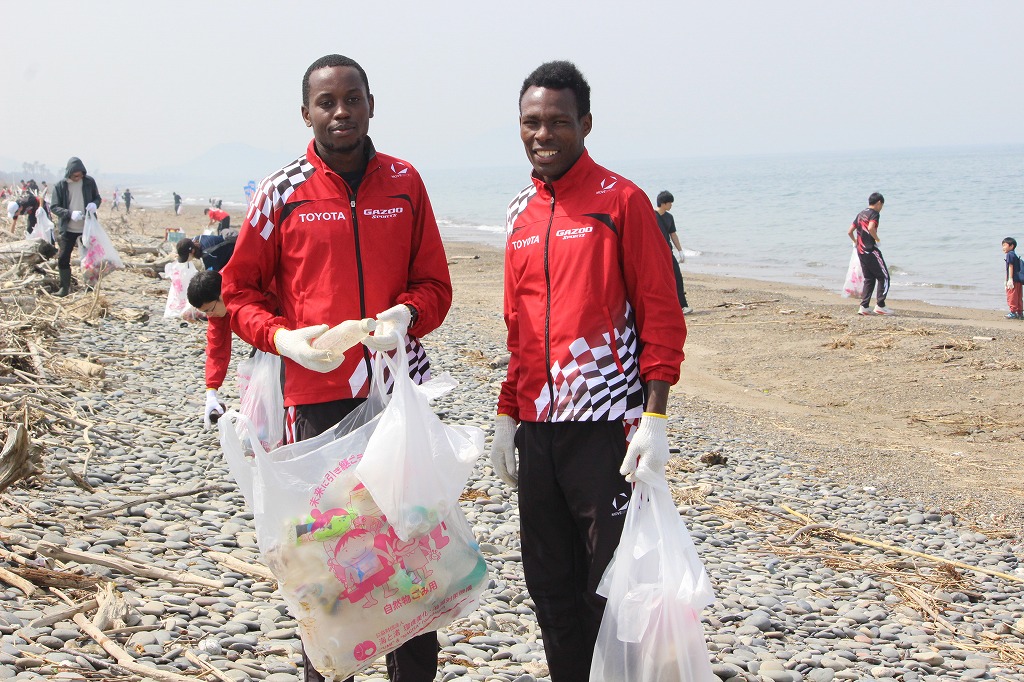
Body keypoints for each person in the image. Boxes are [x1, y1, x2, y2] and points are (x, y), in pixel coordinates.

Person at [221, 53, 452, 682]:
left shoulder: (405, 182)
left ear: (372, 104)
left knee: (413, 561)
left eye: (353, 98)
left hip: (395, 399)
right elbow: (237, 292)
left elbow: (435, 283)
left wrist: (407, 314)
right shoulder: (281, 192)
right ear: (306, 113)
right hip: (314, 408)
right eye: (327, 101)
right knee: (329, 570)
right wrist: (284, 338)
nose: (342, 111)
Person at [487, 61, 687, 681]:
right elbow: (519, 329)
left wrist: (654, 417)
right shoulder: (521, 209)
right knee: (548, 583)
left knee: (611, 587)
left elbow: (661, 313)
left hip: (606, 429)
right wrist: (505, 414)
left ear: (586, 124)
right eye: (530, 122)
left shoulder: (621, 201)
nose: (541, 133)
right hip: (538, 428)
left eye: (557, 121)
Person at [49, 158, 102, 297]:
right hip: (68, 229)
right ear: (69, 173)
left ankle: (90, 289)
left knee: (90, 260)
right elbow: (54, 207)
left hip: (87, 228)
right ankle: (64, 288)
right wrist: (69, 214)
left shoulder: (89, 182)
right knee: (63, 258)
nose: (79, 178)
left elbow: (98, 198)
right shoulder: (60, 186)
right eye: (75, 176)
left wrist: (95, 204)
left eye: (81, 175)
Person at [186, 270, 232, 427]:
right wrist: (211, 392)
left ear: (221, 294)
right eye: (204, 312)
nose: (210, 315)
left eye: (209, 310)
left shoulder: (244, 288)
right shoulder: (217, 312)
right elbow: (216, 350)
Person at [848, 192, 892, 316]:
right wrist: (877, 240)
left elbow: (850, 231)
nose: (881, 208)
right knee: (884, 277)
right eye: (882, 205)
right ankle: (880, 306)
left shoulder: (861, 214)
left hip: (861, 251)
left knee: (869, 279)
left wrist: (855, 242)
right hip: (871, 250)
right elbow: (871, 227)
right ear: (878, 203)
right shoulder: (874, 214)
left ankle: (864, 306)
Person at [655, 190, 691, 313]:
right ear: (663, 203)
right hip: (655, 254)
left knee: (677, 277)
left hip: (668, 252)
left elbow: (673, 234)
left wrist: (680, 250)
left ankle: (683, 305)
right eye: (670, 203)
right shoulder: (651, 215)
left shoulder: (669, 217)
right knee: (659, 280)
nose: (671, 205)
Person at [1002, 237, 1022, 320]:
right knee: (1018, 296)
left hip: (1013, 280)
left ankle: (1013, 312)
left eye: (1004, 245)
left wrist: (1009, 279)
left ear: (1011, 246)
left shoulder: (1009, 254)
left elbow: (1010, 266)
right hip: (1018, 280)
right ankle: (1020, 313)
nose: (1003, 247)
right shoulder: (1014, 254)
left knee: (1012, 296)